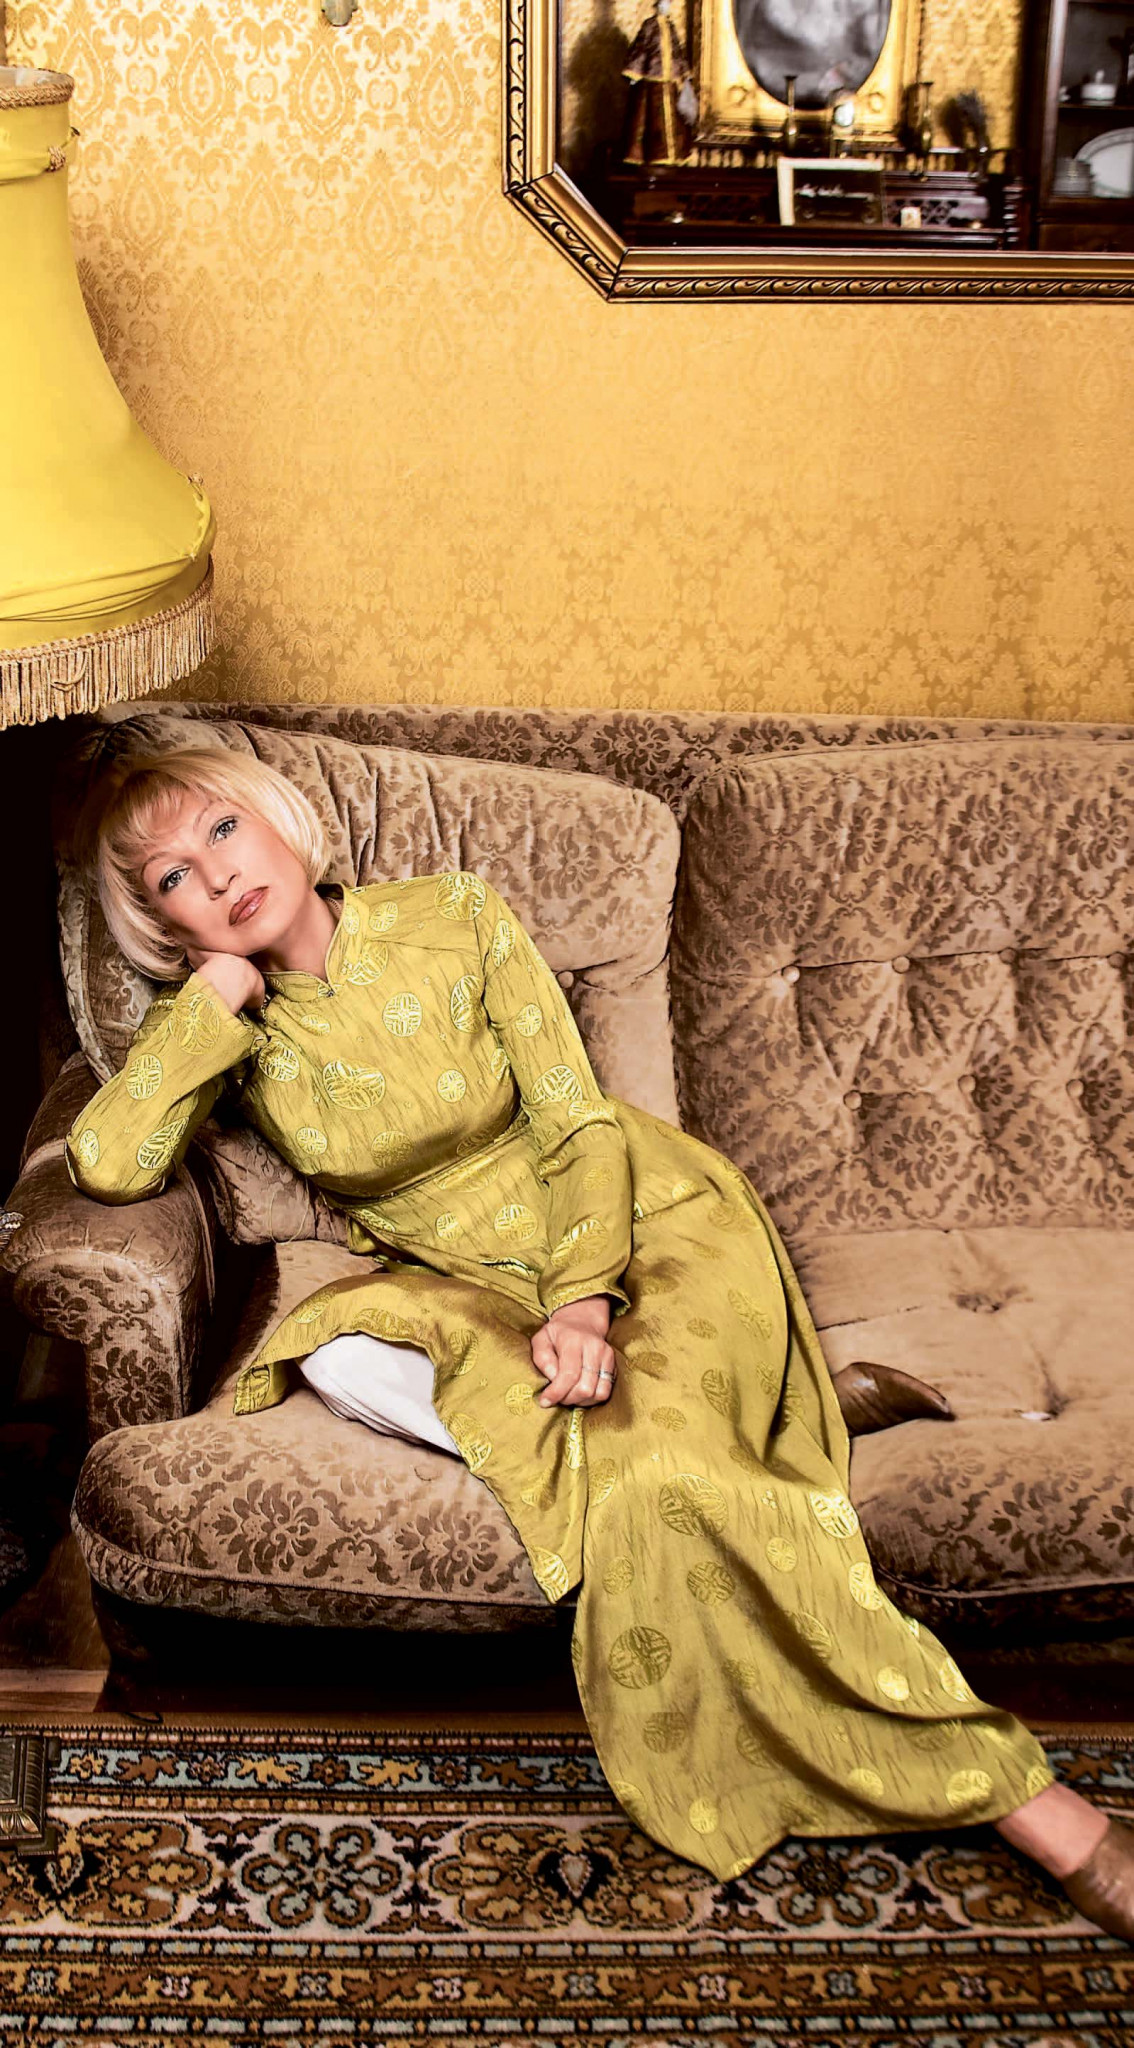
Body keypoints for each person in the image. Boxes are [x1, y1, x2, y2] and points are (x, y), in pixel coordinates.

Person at [64, 742, 1134, 1938]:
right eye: (170, 876)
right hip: (461, 1275)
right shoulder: (230, 1024)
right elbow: (109, 1161)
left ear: (277, 821)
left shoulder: (452, 914)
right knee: (335, 1354)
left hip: (634, 1217)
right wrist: (210, 1002)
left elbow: (576, 1118)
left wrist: (585, 1297)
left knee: (662, 1480)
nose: (214, 875)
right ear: (161, 920)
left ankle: (1038, 1809)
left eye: (221, 829)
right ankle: (772, 1403)